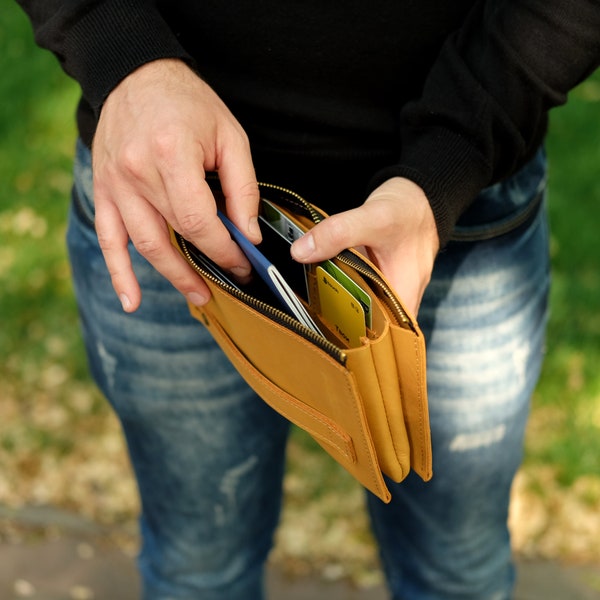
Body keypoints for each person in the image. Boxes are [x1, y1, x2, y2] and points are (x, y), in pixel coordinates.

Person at [15, 1, 600, 598]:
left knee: (457, 572)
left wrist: (452, 156)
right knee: (198, 567)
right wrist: (122, 56)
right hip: (168, 187)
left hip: (459, 202)